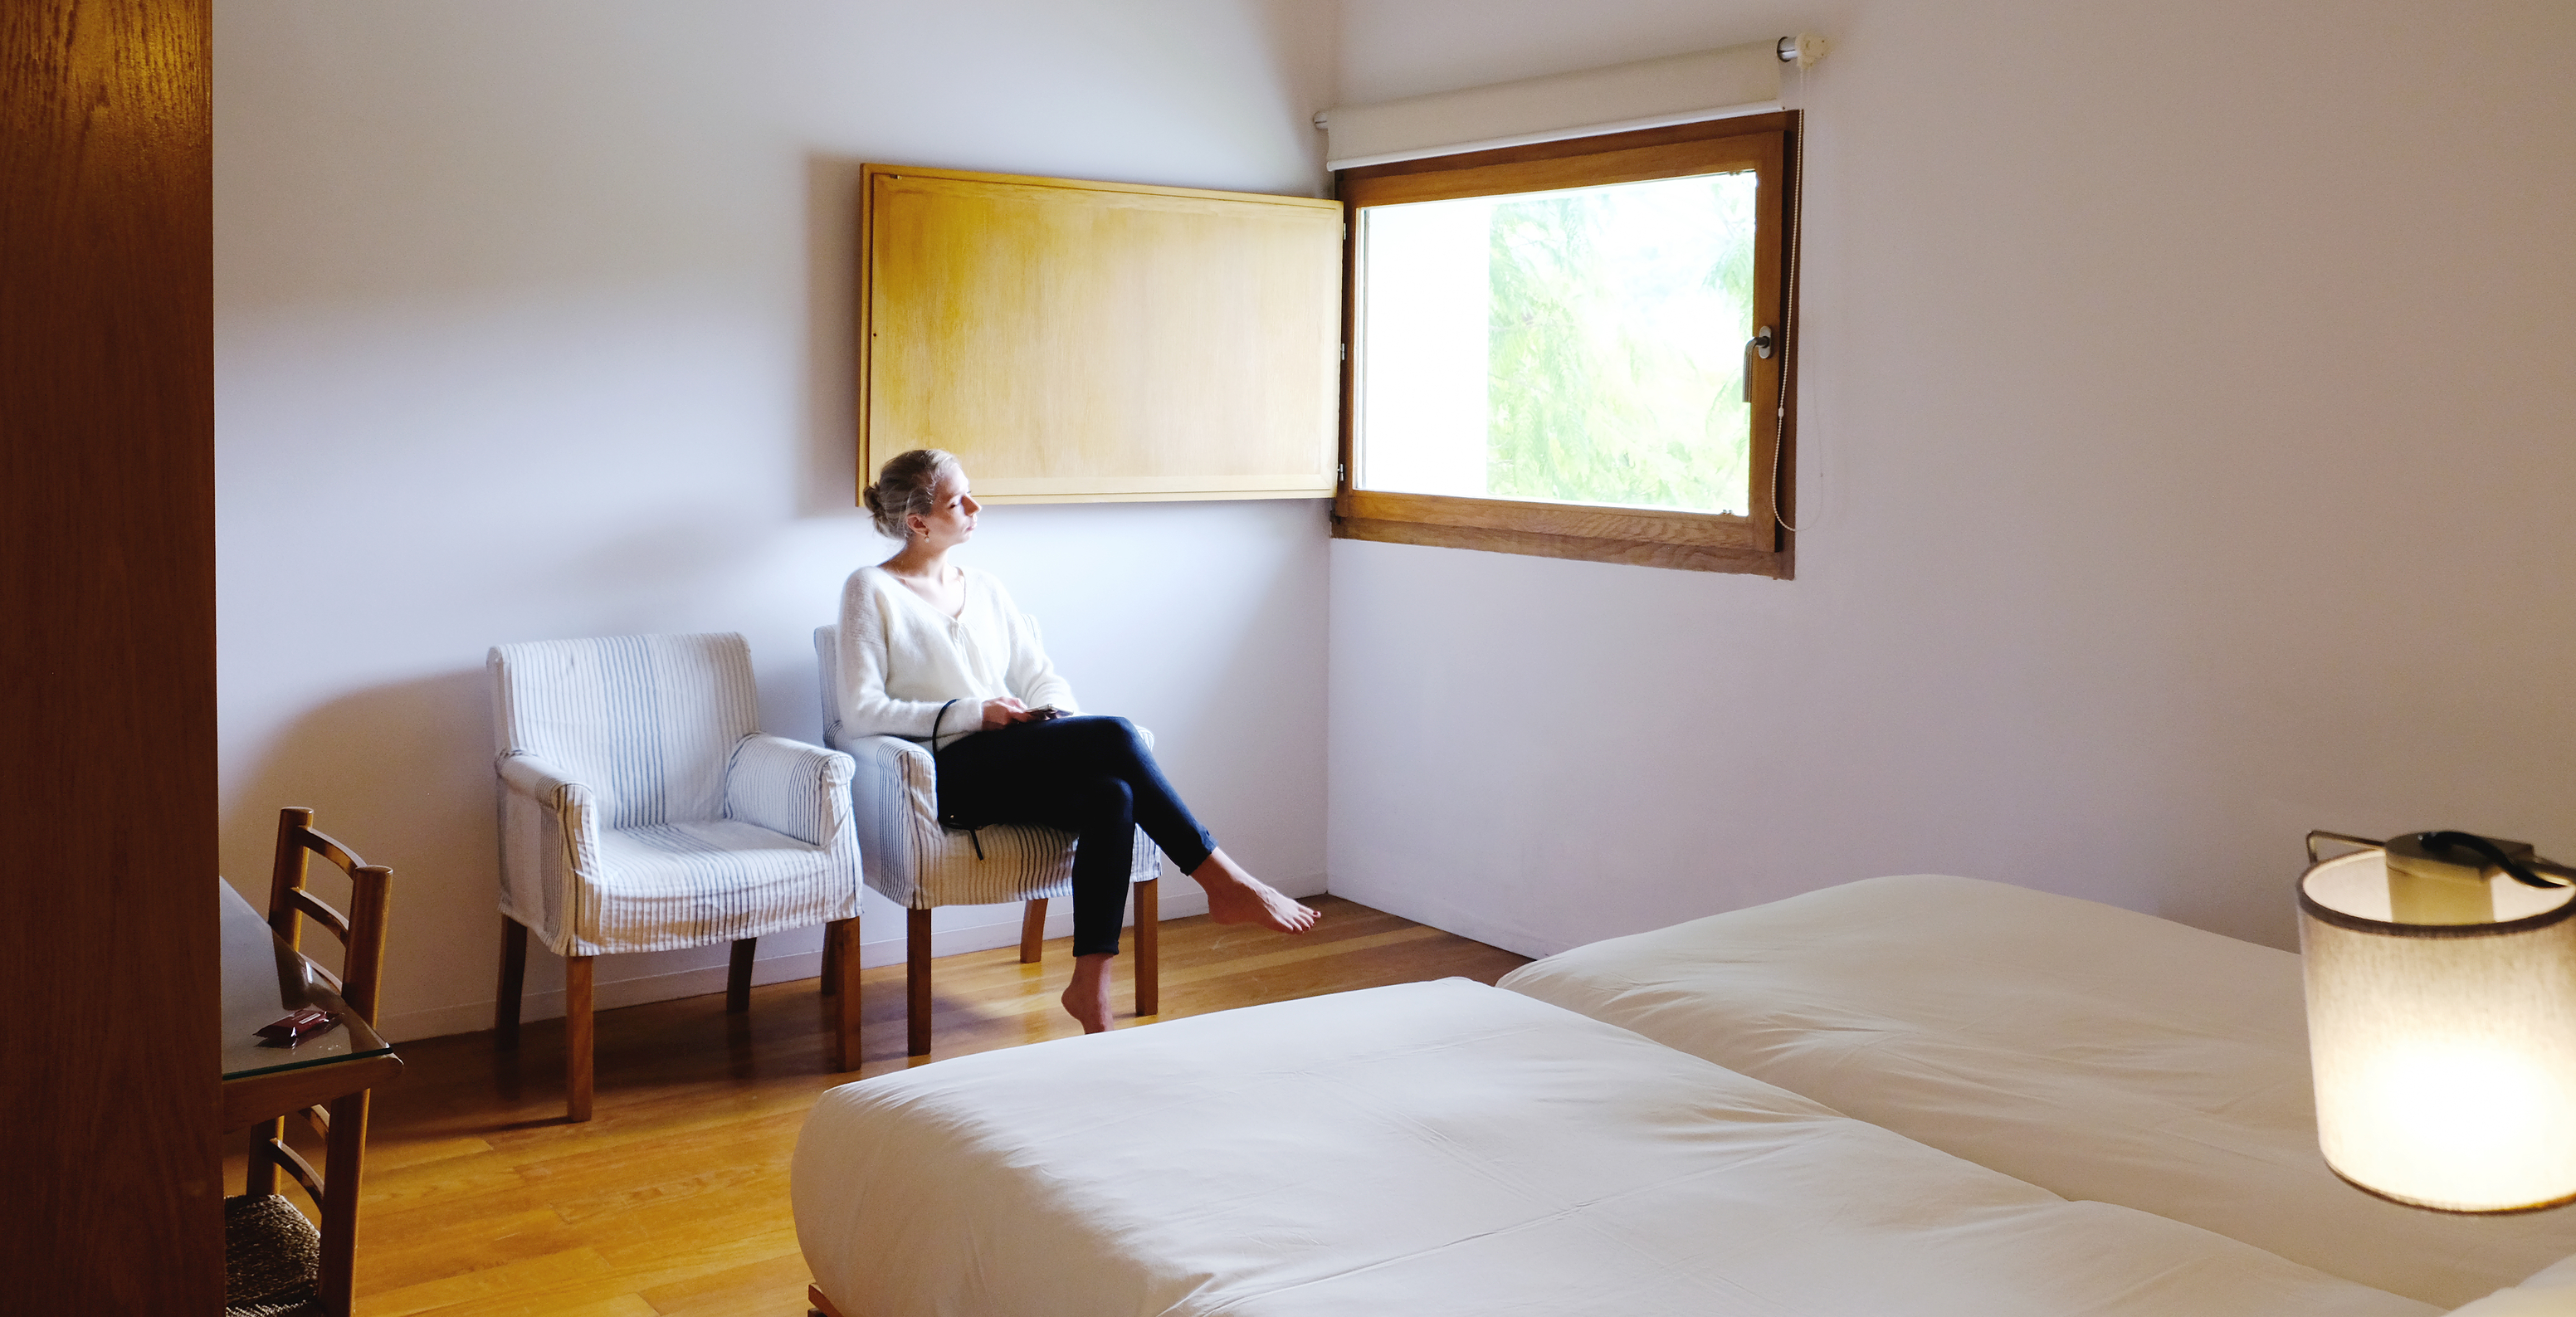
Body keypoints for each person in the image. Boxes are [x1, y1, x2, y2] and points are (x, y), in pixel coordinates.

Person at [840, 448, 1320, 1033]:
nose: (975, 506)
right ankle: (1226, 881)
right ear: (917, 522)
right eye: (955, 501)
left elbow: (1042, 675)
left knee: (1112, 794)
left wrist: (1054, 715)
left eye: (970, 492)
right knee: (1115, 733)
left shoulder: (985, 587)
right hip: (946, 771)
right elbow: (861, 711)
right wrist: (975, 711)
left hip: (1010, 755)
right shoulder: (871, 589)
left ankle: (1090, 988)